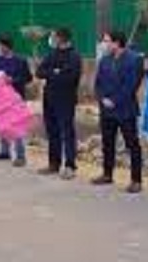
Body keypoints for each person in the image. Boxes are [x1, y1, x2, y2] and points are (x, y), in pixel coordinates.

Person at [90, 31, 143, 193]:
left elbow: (131, 84)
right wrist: (102, 98)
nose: (104, 44)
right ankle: (107, 174)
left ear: (117, 42)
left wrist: (115, 100)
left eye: (107, 41)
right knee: (107, 143)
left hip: (125, 110)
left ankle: (136, 180)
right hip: (106, 110)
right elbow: (98, 83)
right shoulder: (105, 60)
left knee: (132, 145)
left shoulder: (134, 59)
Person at [36, 28, 82, 180]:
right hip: (49, 98)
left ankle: (70, 165)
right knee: (52, 131)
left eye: (53, 36)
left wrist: (53, 73)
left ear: (61, 38)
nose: (51, 39)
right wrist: (56, 72)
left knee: (67, 132)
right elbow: (39, 72)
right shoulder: (52, 54)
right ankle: (54, 163)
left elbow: (71, 77)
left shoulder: (74, 56)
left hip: (66, 99)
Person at [0, 35, 33, 166]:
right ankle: (4, 151)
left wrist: (13, 80)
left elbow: (28, 78)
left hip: (15, 97)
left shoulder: (20, 61)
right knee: (2, 123)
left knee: (16, 125)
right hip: (1, 97)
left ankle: (20, 155)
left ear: (6, 46)